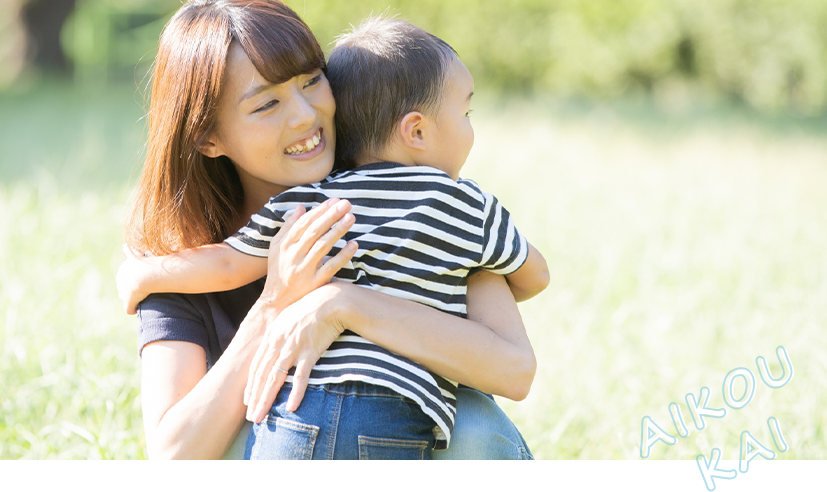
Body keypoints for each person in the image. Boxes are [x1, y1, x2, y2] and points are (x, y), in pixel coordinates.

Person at [119, 0, 536, 460]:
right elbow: (173, 453)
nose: (305, 114)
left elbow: (514, 368)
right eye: (266, 103)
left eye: (312, 80)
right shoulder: (182, 264)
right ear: (207, 138)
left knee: (475, 430)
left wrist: (344, 303)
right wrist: (275, 303)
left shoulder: (409, 200)